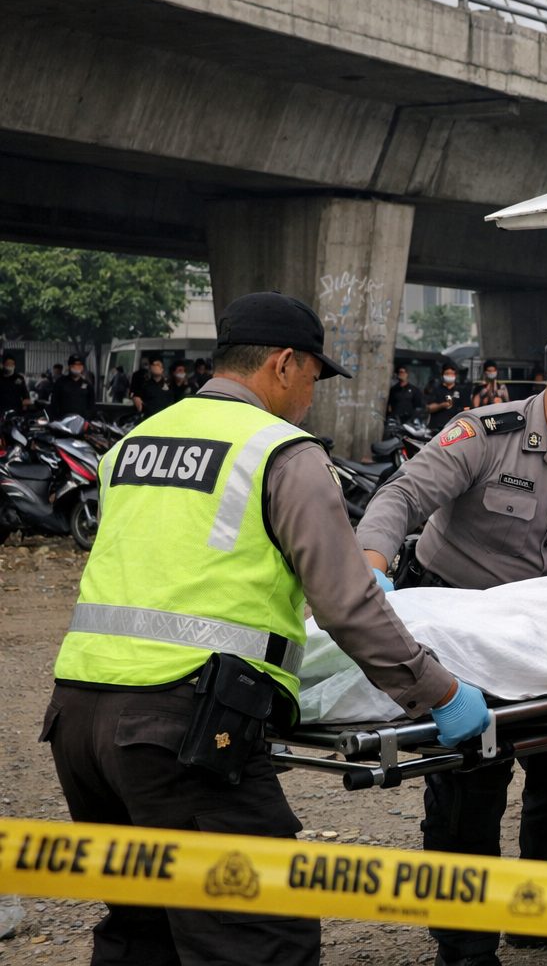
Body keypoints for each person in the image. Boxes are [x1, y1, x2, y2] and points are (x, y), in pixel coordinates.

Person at [43, 291, 490, 966]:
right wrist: (439, 691)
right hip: (183, 731)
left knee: (146, 931)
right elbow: (348, 606)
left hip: (76, 720)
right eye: (313, 378)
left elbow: (178, 571)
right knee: (260, 938)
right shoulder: (283, 451)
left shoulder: (134, 443)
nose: (312, 397)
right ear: (283, 365)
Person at [356, 319, 547, 965]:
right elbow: (403, 495)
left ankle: (543, 918)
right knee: (471, 787)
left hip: (535, 631)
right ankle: (463, 949)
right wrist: (370, 568)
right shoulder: (487, 433)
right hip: (453, 622)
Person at [423, 362, 467, 433]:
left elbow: (467, 408)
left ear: (455, 375)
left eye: (451, 374)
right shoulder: (436, 389)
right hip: (437, 428)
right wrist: (441, 405)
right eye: (447, 374)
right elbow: (429, 408)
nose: (449, 376)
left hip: (455, 428)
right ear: (442, 375)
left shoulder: (461, 390)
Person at [49, 355, 96, 420]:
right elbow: (54, 403)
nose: (77, 367)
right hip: (63, 422)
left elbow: (91, 404)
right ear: (69, 366)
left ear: (82, 367)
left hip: (82, 423)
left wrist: (87, 419)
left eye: (80, 365)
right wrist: (56, 419)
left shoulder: (87, 385)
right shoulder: (60, 382)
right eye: (74, 364)